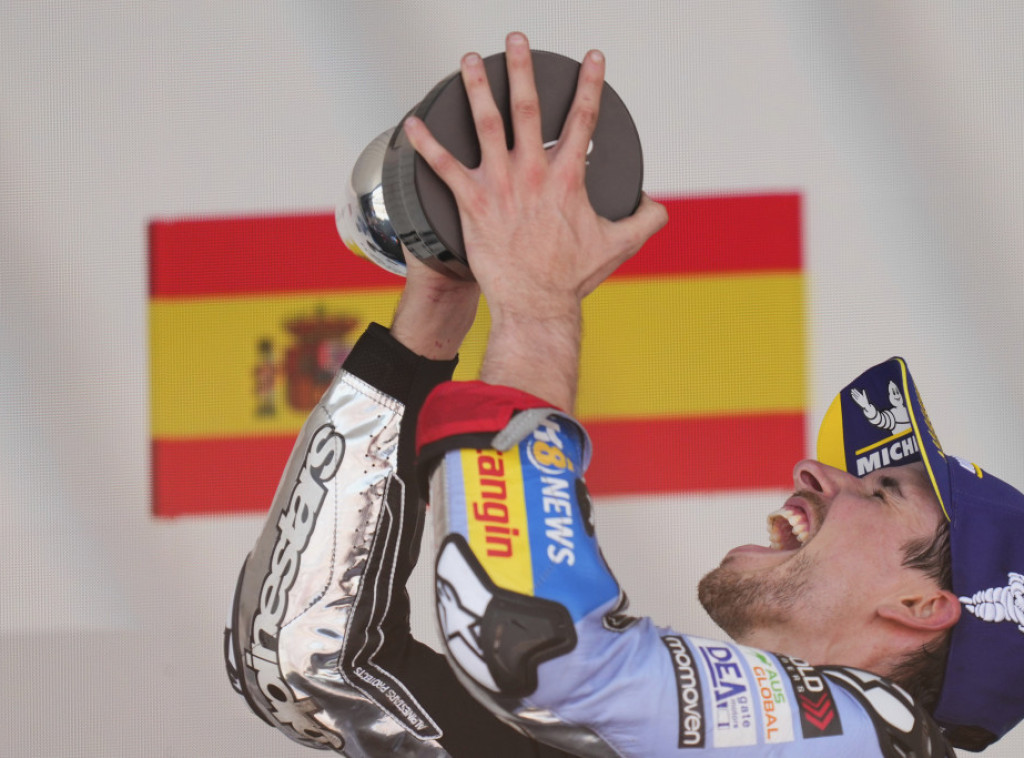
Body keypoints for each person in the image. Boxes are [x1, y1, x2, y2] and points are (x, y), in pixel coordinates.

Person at [226, 33, 1024, 756]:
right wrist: (438, 303)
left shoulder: (882, 745)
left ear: (921, 607)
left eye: (882, 493)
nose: (817, 473)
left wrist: (536, 306)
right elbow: (310, 669)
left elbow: (536, 649)